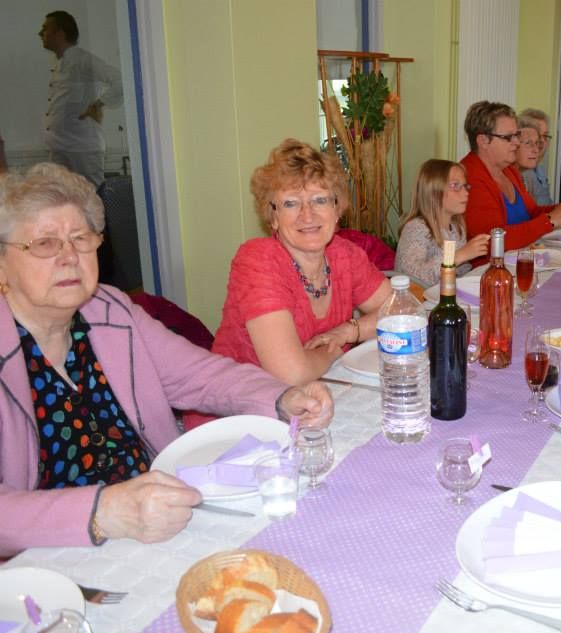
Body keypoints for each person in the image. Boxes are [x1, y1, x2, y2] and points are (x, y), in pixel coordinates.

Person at [0, 163, 334, 556]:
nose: (70, 256)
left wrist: (282, 398)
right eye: (44, 244)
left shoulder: (111, 310)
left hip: (159, 520)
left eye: (81, 238)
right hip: (51, 560)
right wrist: (102, 512)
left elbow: (204, 376)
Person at [213, 139, 391, 384]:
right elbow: (291, 373)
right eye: (291, 203)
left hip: (318, 393)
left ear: (337, 209)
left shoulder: (344, 254)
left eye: (319, 200)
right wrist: (334, 351)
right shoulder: (258, 261)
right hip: (241, 409)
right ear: (273, 217)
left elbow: (402, 310)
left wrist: (349, 331)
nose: (307, 215)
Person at [461, 101, 561, 257]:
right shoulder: (469, 177)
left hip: (522, 258)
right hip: (488, 269)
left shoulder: (508, 169)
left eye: (516, 135)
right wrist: (551, 220)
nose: (516, 142)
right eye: (508, 137)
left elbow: (530, 213)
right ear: (483, 141)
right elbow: (492, 241)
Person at [39, 11, 123, 188]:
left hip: (82, 149)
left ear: (60, 34)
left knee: (92, 200)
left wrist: (99, 104)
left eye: (46, 29)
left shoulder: (82, 59)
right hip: (60, 147)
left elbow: (119, 80)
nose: (41, 33)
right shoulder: (59, 63)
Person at [395, 159, 489, 287]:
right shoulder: (416, 228)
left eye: (465, 186)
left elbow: (459, 273)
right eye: (455, 185)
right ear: (433, 191)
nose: (466, 193)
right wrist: (458, 256)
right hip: (419, 302)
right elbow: (412, 277)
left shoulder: (456, 227)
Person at [518, 108, 553, 206]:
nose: (541, 142)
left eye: (545, 136)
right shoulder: (525, 172)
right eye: (529, 142)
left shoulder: (541, 164)